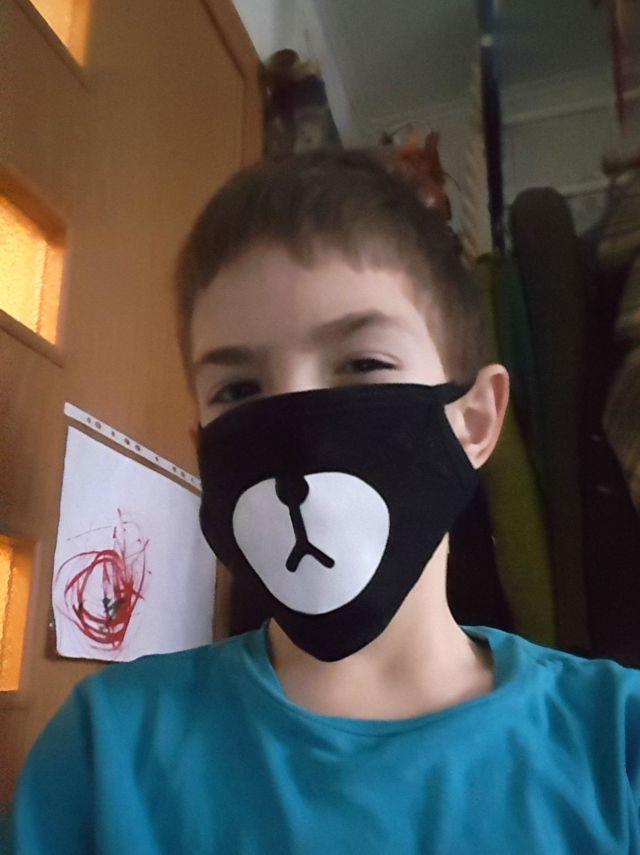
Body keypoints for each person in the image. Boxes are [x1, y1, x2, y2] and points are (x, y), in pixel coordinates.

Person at [11, 150, 640, 853]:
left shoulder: (618, 745)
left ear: (475, 420)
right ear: (203, 448)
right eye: (238, 390)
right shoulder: (105, 753)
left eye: (363, 363)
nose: (299, 432)